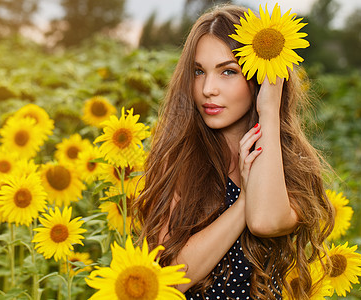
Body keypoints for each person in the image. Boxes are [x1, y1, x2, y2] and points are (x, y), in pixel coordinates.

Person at [134, 4, 334, 300]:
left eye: (228, 71)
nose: (208, 89)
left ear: (259, 78)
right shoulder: (178, 161)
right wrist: (243, 201)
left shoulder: (290, 165)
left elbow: (265, 222)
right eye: (199, 71)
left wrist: (268, 109)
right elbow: (168, 279)